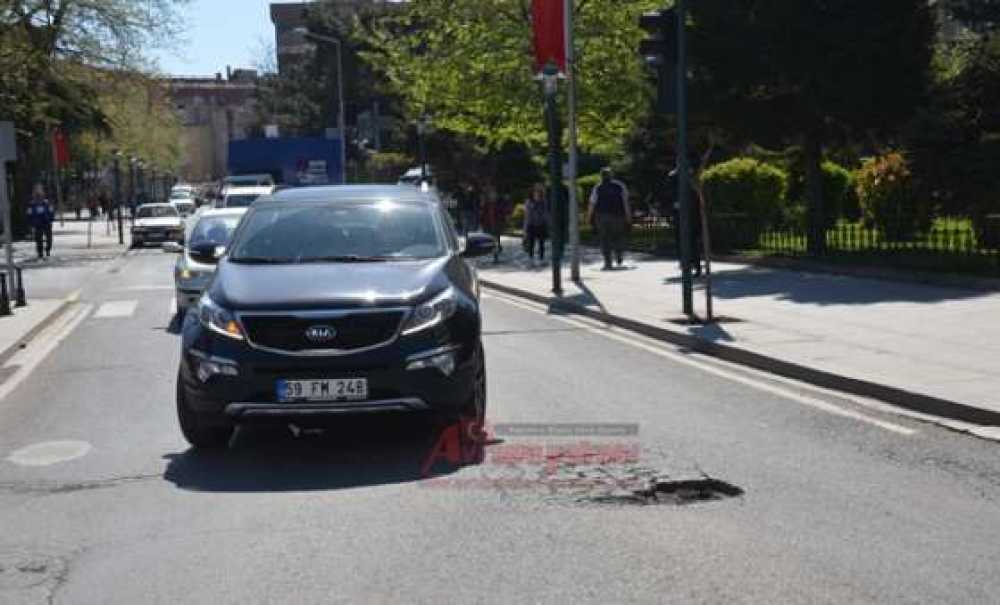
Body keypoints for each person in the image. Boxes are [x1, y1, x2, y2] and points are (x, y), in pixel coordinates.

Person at [587, 167, 631, 270]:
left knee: (604, 238)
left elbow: (592, 203)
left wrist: (589, 217)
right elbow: (626, 202)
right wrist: (628, 216)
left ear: (601, 176)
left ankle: (608, 262)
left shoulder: (598, 187)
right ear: (611, 175)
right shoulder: (620, 186)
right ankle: (619, 254)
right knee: (618, 236)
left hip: (602, 216)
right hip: (618, 215)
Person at [26, 184, 56, 259]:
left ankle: (48, 249)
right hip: (37, 224)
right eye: (36, 192)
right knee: (38, 239)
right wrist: (30, 223)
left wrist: (51, 219)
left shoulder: (46, 203)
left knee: (49, 238)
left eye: (40, 192)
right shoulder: (32, 204)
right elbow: (29, 214)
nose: (38, 194)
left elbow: (51, 211)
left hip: (47, 223)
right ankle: (40, 253)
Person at [523, 183, 549, 264]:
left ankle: (541, 258)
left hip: (541, 225)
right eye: (535, 191)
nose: (537, 193)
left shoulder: (544, 201)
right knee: (531, 243)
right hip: (531, 225)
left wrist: (548, 223)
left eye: (539, 191)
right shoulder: (529, 202)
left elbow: (546, 214)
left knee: (541, 243)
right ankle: (530, 258)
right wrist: (525, 228)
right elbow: (527, 215)